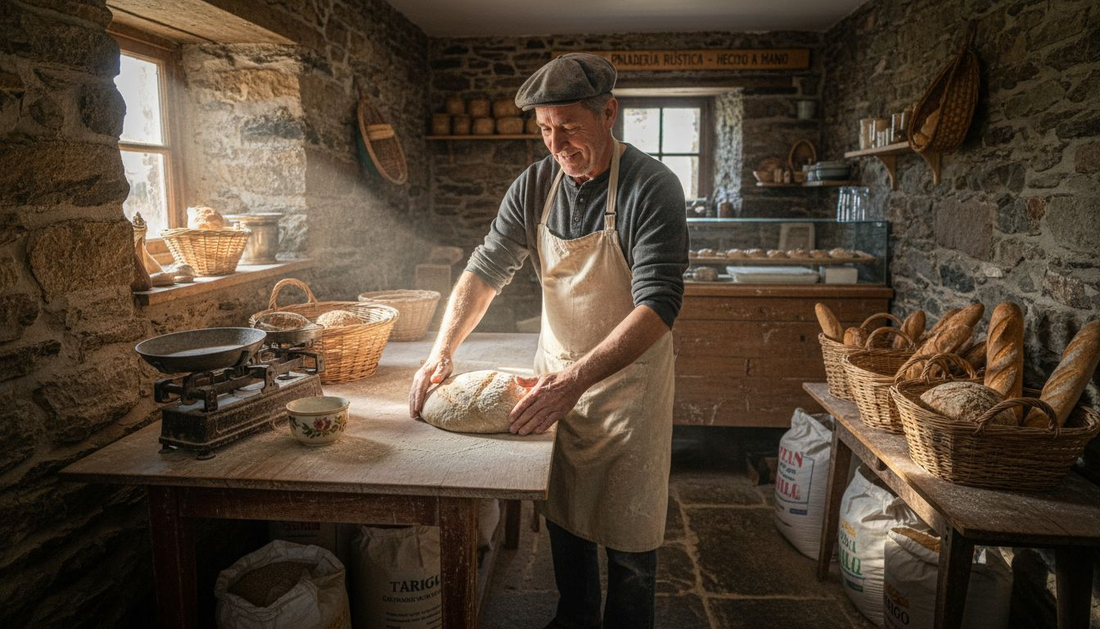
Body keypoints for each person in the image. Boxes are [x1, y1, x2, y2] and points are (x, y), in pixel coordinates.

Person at [409, 53, 688, 629]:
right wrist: (441, 351)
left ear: (609, 113)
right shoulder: (536, 185)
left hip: (627, 385)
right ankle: (576, 615)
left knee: (630, 530)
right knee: (564, 509)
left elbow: (659, 305)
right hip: (553, 369)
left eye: (569, 127)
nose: (556, 144)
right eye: (544, 129)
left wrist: (576, 381)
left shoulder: (651, 186)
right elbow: (486, 269)